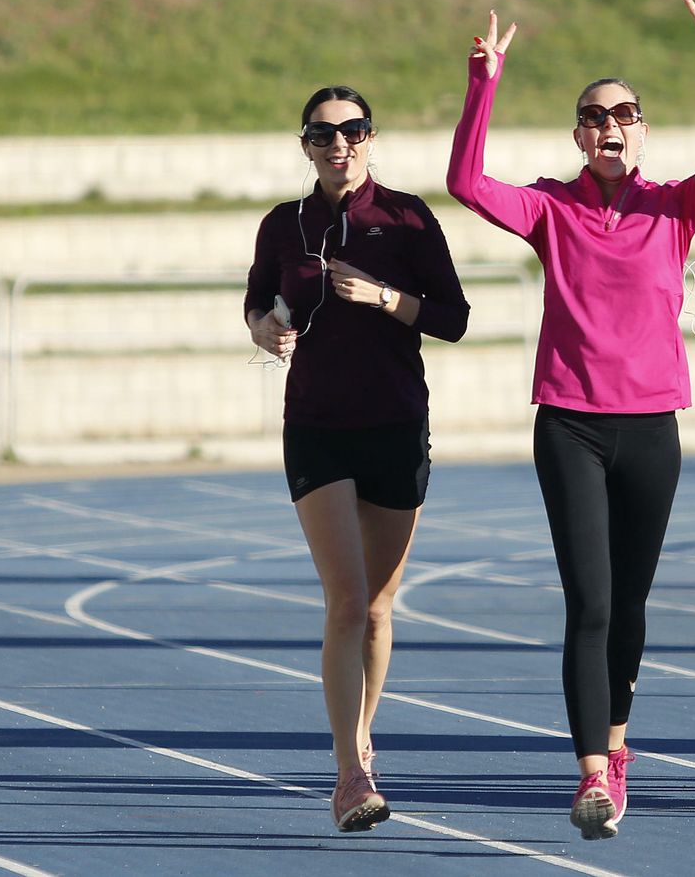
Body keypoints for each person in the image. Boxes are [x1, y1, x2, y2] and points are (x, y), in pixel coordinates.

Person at [446, 0, 695, 840]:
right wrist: (486, 81)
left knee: (631, 604)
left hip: (653, 427)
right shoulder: (550, 207)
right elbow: (464, 178)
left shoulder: (676, 207)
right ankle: (590, 772)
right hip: (571, 424)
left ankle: (618, 743)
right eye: (592, 115)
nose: (608, 123)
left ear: (641, 129)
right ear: (579, 134)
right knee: (588, 599)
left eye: (623, 111)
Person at [244, 85, 471, 832]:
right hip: (315, 427)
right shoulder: (283, 225)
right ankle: (349, 771)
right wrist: (264, 331)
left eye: (353, 130)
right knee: (345, 598)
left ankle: (362, 732)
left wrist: (384, 297)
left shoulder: (405, 216)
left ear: (370, 137)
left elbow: (454, 318)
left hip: (395, 427)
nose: (339, 143)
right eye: (323, 133)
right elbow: (255, 302)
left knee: (378, 606)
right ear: (304, 144)